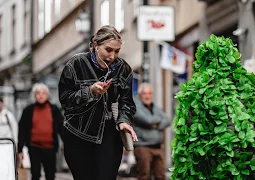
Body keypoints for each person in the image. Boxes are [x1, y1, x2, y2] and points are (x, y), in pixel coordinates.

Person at [58, 25, 138, 180]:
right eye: (108, 50)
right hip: (78, 135)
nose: (112, 56)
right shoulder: (76, 64)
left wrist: (124, 120)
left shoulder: (123, 69)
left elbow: (127, 102)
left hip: (109, 134)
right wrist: (90, 92)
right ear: (95, 45)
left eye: (117, 51)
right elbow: (65, 100)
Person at [17, 83, 64, 180]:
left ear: (47, 95)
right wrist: (20, 149)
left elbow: (61, 128)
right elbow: (22, 130)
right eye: (38, 93)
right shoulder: (28, 110)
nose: (41, 95)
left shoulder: (54, 109)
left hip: (50, 148)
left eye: (43, 93)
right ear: (34, 95)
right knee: (35, 174)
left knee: (50, 174)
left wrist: (67, 144)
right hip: (34, 148)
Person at [133, 83, 171, 180]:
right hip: (143, 147)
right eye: (145, 93)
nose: (147, 96)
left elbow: (167, 120)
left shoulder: (155, 107)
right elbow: (148, 121)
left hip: (158, 147)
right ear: (140, 95)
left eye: (149, 93)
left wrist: (155, 124)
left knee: (161, 176)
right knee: (144, 175)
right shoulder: (135, 107)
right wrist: (157, 122)